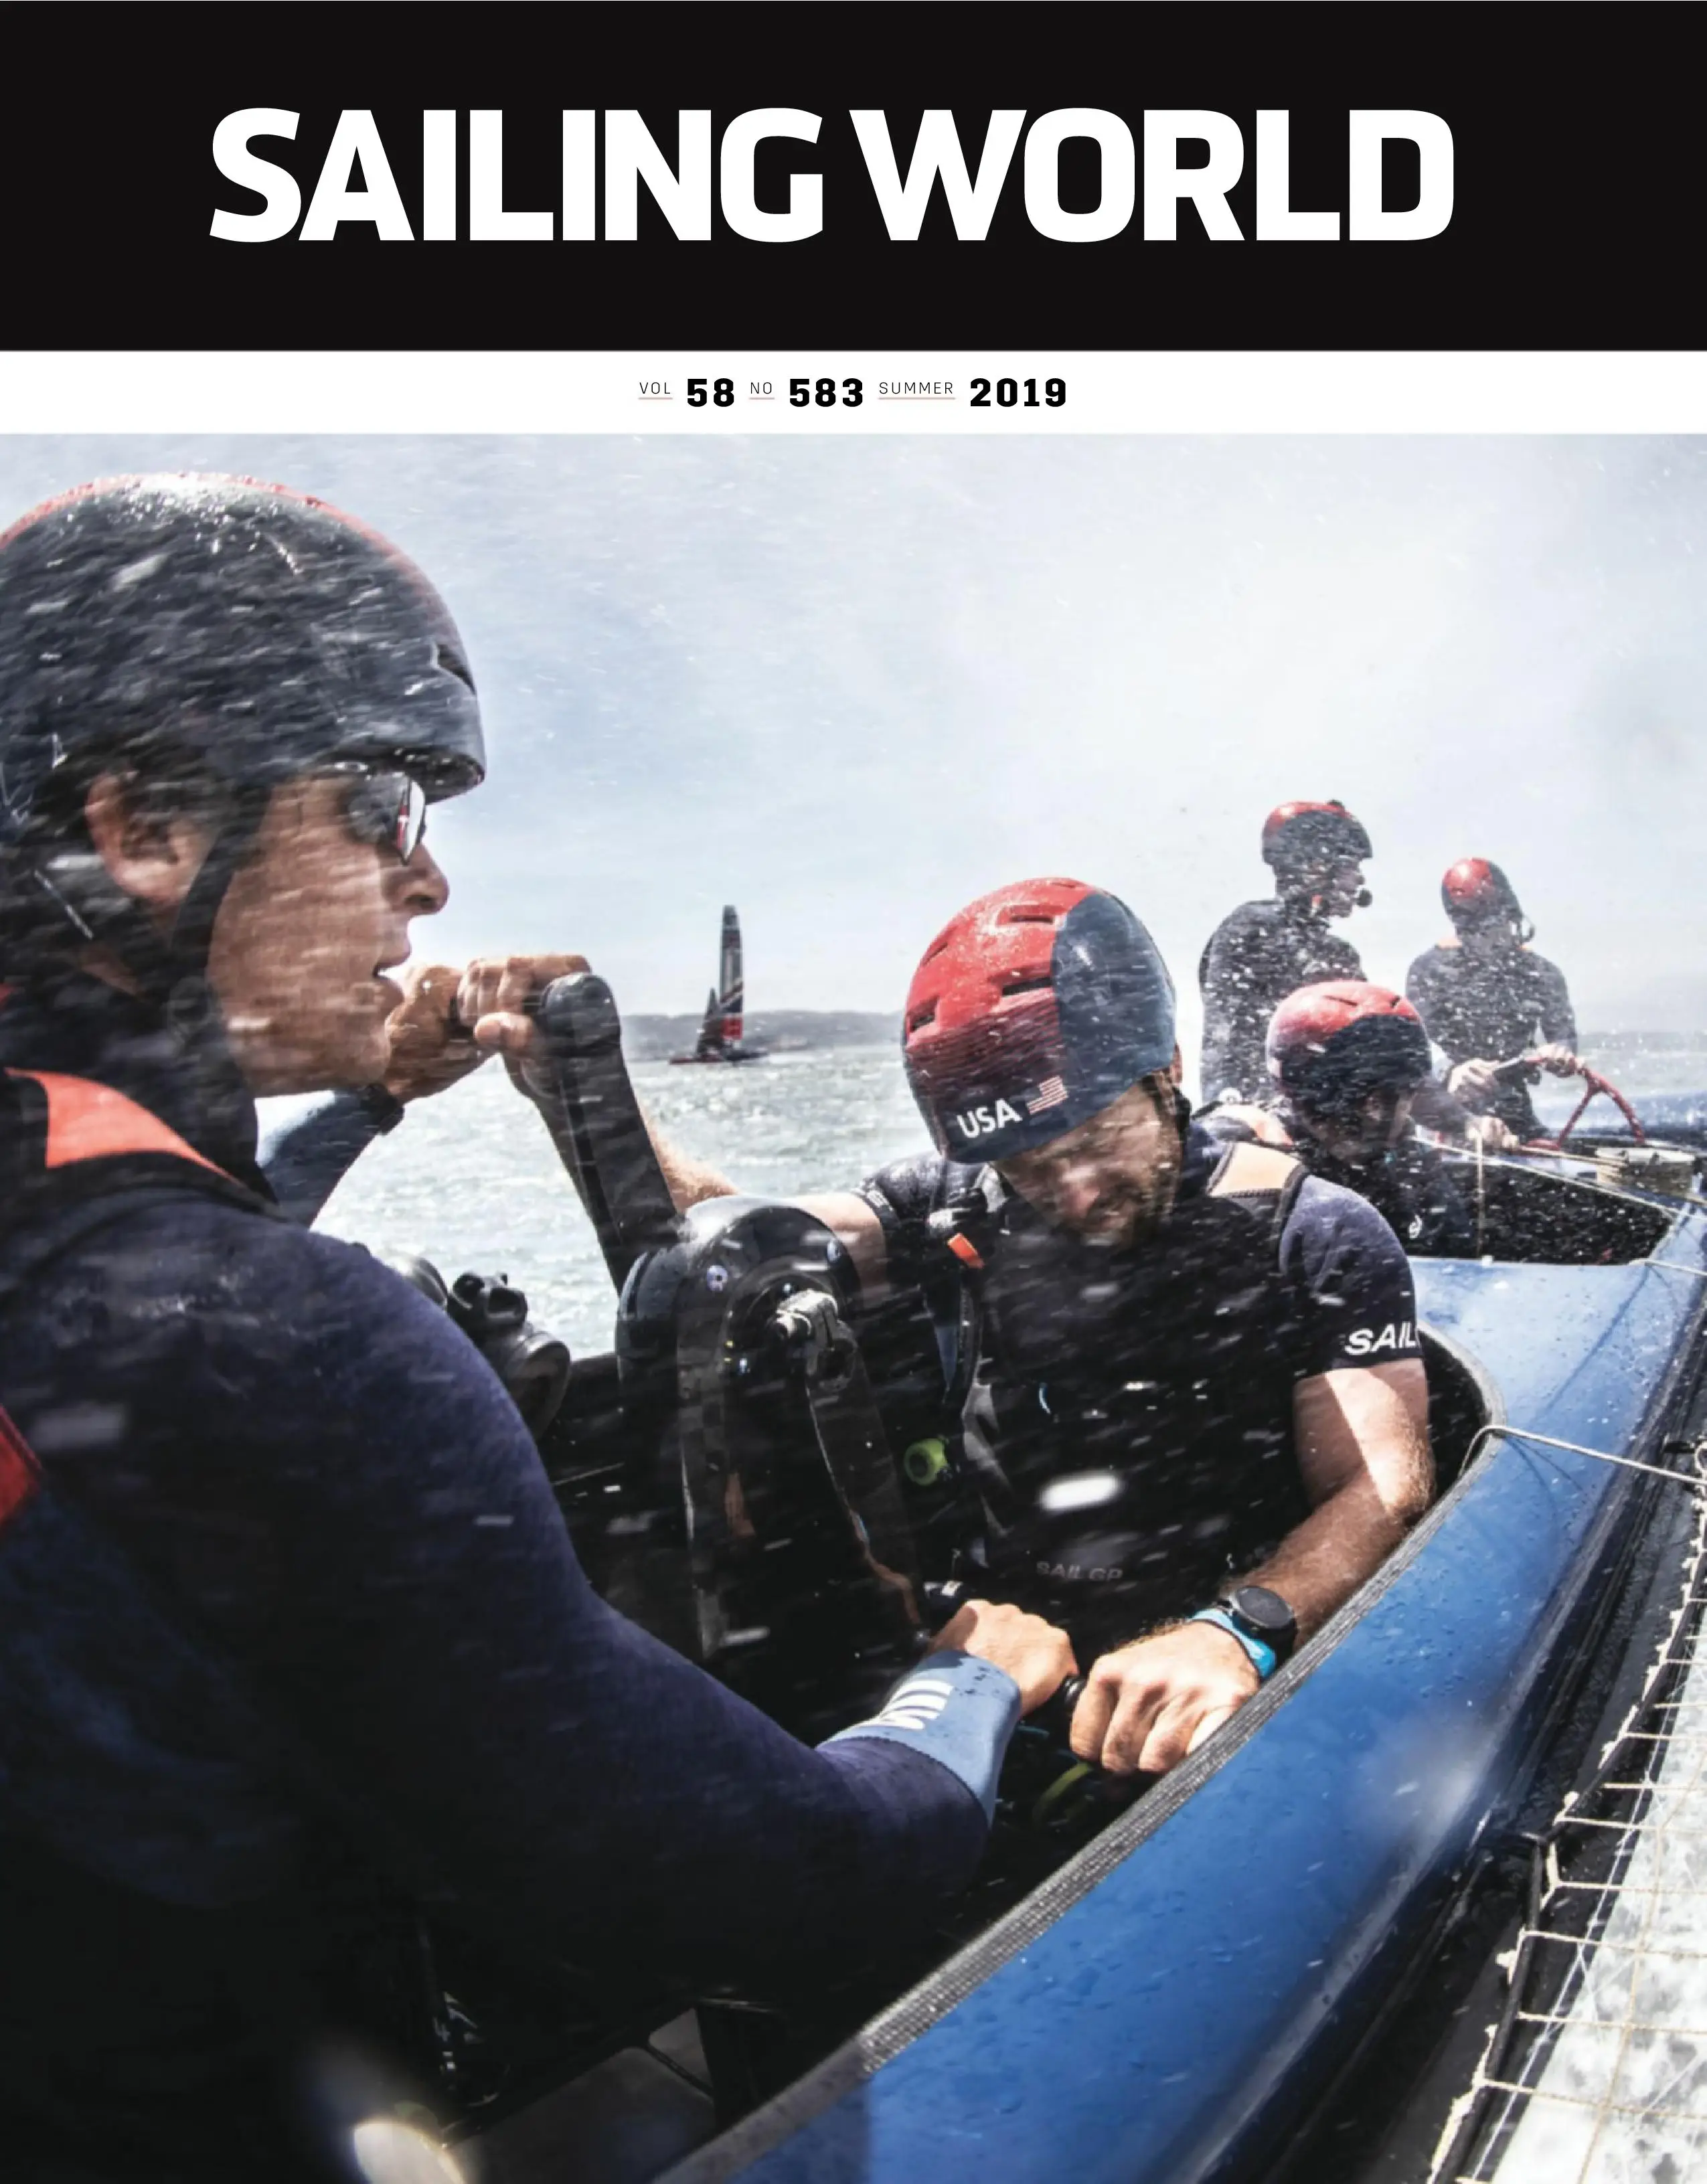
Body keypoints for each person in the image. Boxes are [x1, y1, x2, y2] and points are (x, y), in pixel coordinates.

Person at [0, 477, 1073, 2183]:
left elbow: (130, 1250)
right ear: (139, 829)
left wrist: (365, 1097)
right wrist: (961, 1691)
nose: (428, 879)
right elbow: (784, 1894)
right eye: (378, 805)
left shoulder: (87, 1245)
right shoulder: (277, 1343)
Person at [659, 879, 1434, 1783]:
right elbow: (740, 1244)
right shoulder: (955, 1200)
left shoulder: (1314, 1232)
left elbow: (1380, 1485)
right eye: (1028, 1165)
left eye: (1097, 1138)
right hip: (1000, 1655)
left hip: (1218, 1644)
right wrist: (578, 1084)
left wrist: (1240, 1628)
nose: (1073, 1192)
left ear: (1168, 1068)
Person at [1201, 982, 1476, 1258]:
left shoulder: (1410, 1166)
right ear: (1307, 1090)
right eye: (1361, 1098)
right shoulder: (1236, 1154)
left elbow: (1457, 1260)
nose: (1374, 1116)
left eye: (1396, 1097)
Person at [1198, 799, 1373, 1102]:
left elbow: (1368, 1041)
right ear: (1317, 866)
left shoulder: (1341, 954)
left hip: (1328, 1114)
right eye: (1351, 865)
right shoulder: (1252, 928)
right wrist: (1223, 1102)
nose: (1360, 879)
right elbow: (1223, 1032)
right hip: (1262, 1110)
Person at [1406, 857, 1580, 1141]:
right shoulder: (1428, 970)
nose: (1484, 939)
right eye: (1472, 930)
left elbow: (1564, 1040)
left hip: (1515, 1109)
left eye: (1492, 924)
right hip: (1448, 1110)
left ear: (1510, 914)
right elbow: (1415, 1052)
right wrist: (1450, 1072)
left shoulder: (1542, 973)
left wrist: (1560, 1054)